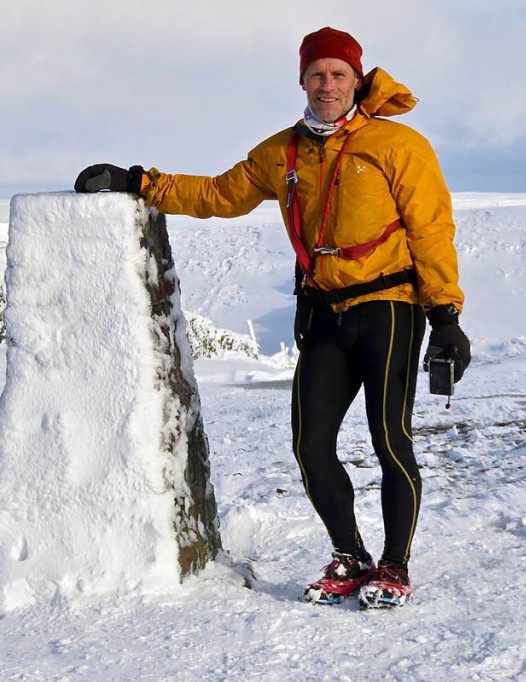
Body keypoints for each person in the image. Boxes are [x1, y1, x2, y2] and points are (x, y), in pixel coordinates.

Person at [75, 26, 471, 609]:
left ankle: (394, 564)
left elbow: (431, 229)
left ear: (357, 80)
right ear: (302, 81)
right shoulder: (283, 152)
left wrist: (445, 315)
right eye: (317, 74)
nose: (327, 84)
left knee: (391, 440)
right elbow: (219, 193)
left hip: (389, 309)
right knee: (312, 446)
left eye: (339, 74)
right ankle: (350, 555)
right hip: (324, 316)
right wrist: (142, 182)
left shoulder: (398, 145)